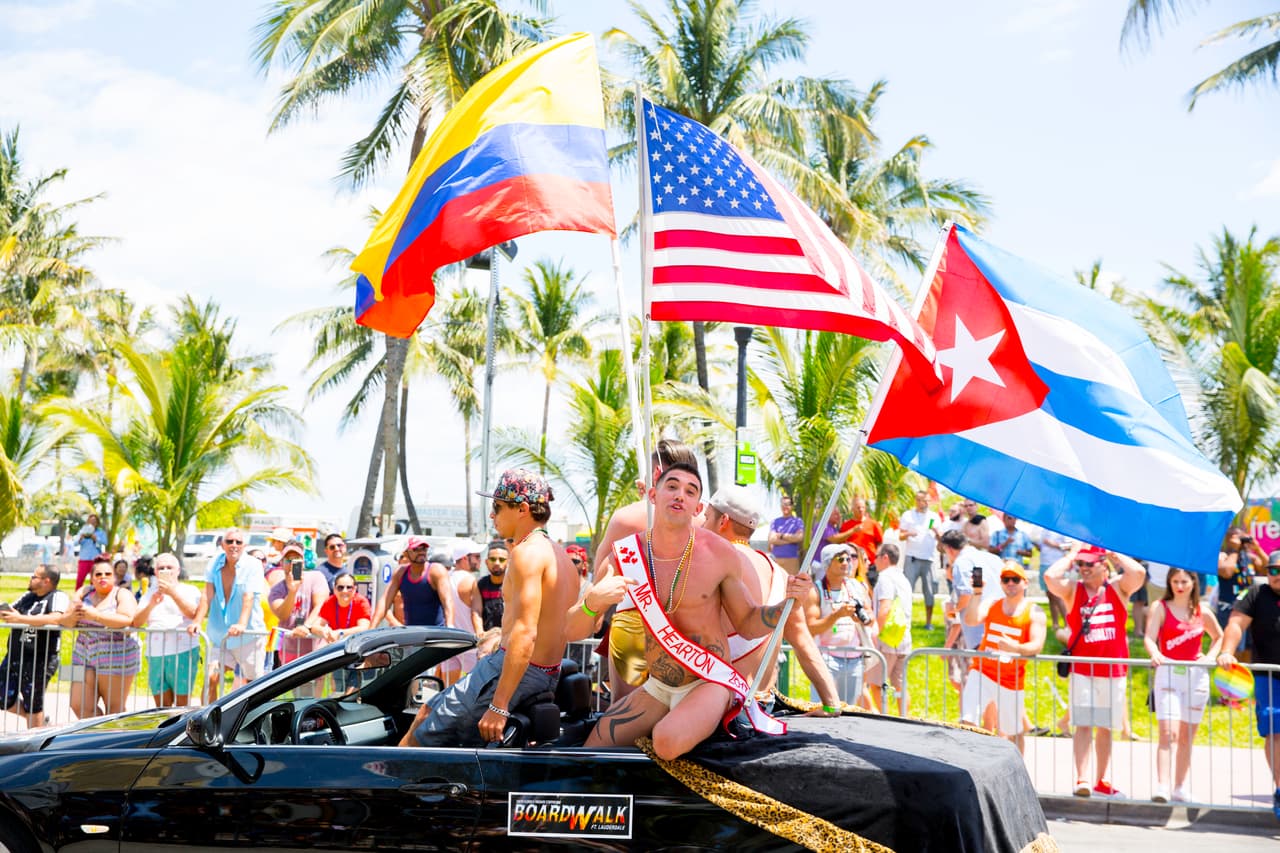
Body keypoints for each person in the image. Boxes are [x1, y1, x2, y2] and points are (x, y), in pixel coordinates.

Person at [584, 464, 811, 760]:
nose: (680, 495)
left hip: (709, 683)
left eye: (690, 491)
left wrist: (786, 606)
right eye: (672, 486)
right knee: (591, 749)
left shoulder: (719, 553)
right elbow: (575, 629)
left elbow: (747, 622)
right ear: (653, 495)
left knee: (665, 741)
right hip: (658, 686)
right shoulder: (627, 554)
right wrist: (591, 604)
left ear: (698, 507)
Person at [402, 468, 579, 747]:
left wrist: (499, 705)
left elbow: (525, 633)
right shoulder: (562, 557)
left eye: (497, 506)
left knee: (425, 722)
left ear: (522, 509)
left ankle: (388, 788)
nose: (492, 515)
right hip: (545, 673)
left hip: (517, 670)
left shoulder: (526, 553)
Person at [701, 485, 841, 714]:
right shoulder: (779, 573)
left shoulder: (712, 565)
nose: (703, 525)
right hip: (762, 706)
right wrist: (831, 703)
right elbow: (803, 642)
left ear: (723, 521)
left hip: (719, 707)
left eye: (707, 518)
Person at [590, 439, 699, 701]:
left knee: (625, 712)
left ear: (658, 473)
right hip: (689, 632)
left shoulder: (629, 517)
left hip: (637, 626)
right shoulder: (702, 518)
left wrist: (593, 614)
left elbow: (602, 572)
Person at [1044, 543, 1146, 799]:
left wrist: (1115, 552)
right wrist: (1070, 556)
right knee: (1083, 725)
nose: (1084, 568)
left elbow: (1139, 574)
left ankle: (1102, 778)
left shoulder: (1117, 588)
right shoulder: (1073, 591)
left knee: (1106, 727)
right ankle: (1083, 778)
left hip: (1113, 671)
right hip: (1083, 671)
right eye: (1081, 564)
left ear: (1103, 565)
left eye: (1090, 563)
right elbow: (1049, 577)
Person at [1142, 566, 1222, 803]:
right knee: (1168, 733)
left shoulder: (1202, 611)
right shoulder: (1161, 608)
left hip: (1196, 676)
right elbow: (1149, 636)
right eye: (1175, 581)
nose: (1179, 586)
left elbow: (1218, 637)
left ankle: (1180, 786)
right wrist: (1155, 652)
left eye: (1184, 582)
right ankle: (1163, 786)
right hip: (1168, 672)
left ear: (1193, 584)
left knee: (1187, 736)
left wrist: (1209, 657)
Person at [1217, 549, 1280, 820]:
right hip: (1269, 677)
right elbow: (1235, 624)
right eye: (1273, 570)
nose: (1276, 576)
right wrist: (1227, 651)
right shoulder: (1256, 594)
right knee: (1275, 732)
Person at [960, 561, 1047, 753]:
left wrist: (1014, 647)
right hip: (982, 671)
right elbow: (971, 620)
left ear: (1025, 583)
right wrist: (976, 593)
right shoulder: (992, 605)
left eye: (1015, 579)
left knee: (1013, 732)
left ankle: (1018, 776)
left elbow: (1037, 645)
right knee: (968, 720)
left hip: (1010, 680)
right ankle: (968, 767)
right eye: (1005, 579)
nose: (1010, 583)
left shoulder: (1034, 611)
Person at [192, 528, 268, 701]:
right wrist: (197, 621)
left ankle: (252, 720)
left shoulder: (253, 564)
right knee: (211, 676)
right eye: (229, 541)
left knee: (253, 685)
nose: (234, 545)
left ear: (244, 545)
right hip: (220, 634)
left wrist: (241, 624)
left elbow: (248, 597)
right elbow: (207, 595)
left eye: (238, 542)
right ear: (222, 544)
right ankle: (207, 720)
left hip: (249, 635)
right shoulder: (213, 563)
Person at [61, 556, 141, 718]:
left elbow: (128, 619)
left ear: (115, 577)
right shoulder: (83, 592)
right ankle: (98, 734)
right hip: (82, 653)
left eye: (107, 574)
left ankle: (111, 739)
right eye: (98, 574)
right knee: (77, 704)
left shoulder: (122, 593)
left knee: (114, 709)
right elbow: (66, 619)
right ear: (91, 578)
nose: (102, 577)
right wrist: (72, 616)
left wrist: (95, 616)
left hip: (117, 654)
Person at [805, 544, 876, 710]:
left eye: (848, 558)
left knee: (849, 711)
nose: (846, 562)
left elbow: (871, 617)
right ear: (828, 563)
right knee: (825, 708)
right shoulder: (816, 590)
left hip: (854, 659)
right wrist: (836, 615)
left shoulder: (856, 587)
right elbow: (811, 627)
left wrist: (862, 619)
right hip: (826, 659)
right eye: (840, 559)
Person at [0, 565, 70, 727]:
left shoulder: (57, 596)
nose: (31, 579)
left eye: (34, 577)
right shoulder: (28, 596)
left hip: (40, 658)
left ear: (46, 581)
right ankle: (41, 722)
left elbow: (56, 618)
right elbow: (13, 612)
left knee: (33, 703)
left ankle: (33, 741)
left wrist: (21, 619)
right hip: (15, 655)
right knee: (2, 696)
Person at [131, 553, 201, 707]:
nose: (165, 570)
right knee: (162, 706)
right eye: (161, 568)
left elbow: (194, 613)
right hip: (156, 653)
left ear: (178, 570)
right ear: (155, 572)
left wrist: (172, 593)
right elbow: (137, 621)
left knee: (182, 706)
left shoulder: (190, 590)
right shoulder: (149, 592)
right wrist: (151, 604)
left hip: (183, 650)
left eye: (169, 567)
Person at [867, 543, 912, 716]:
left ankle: (884, 717)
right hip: (903, 637)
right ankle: (904, 719)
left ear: (885, 557)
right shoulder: (903, 578)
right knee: (900, 684)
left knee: (875, 682)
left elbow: (885, 606)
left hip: (887, 638)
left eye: (877, 556)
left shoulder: (885, 578)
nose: (874, 560)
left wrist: (876, 631)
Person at [268, 540, 329, 666]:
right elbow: (282, 615)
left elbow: (321, 605)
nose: (291, 564)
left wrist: (306, 627)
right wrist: (292, 591)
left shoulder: (316, 577)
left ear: (303, 561)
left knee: (314, 684)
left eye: (296, 559)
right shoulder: (276, 590)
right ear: (281, 563)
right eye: (288, 560)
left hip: (315, 646)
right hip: (289, 649)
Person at [371, 537, 454, 628]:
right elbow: (385, 601)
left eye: (424, 549)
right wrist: (371, 628)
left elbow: (448, 601)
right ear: (405, 553)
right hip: (412, 632)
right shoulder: (400, 573)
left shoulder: (436, 570)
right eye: (416, 549)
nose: (421, 552)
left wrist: (450, 625)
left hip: (435, 632)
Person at [1217, 526, 1266, 657]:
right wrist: (1234, 550)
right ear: (1228, 539)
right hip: (1229, 609)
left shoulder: (1249, 557)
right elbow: (1226, 572)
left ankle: (1246, 676)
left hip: (1249, 609)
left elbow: (1269, 570)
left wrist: (1257, 548)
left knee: (1249, 648)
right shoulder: (1223, 555)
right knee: (1234, 648)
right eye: (1237, 537)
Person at [438, 549, 483, 686]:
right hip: (470, 642)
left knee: (449, 688)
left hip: (448, 641)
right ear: (464, 558)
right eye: (476, 556)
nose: (479, 560)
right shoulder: (470, 580)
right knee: (475, 687)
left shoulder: (445, 578)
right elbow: (476, 613)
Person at [898, 490, 940, 630]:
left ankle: (929, 623)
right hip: (912, 559)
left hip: (929, 559)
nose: (926, 503)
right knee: (906, 590)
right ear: (917, 500)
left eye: (928, 500)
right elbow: (901, 536)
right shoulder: (908, 515)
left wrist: (936, 531)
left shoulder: (933, 517)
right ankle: (905, 621)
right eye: (923, 500)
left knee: (929, 592)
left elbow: (941, 539)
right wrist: (909, 533)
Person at [305, 571, 373, 643]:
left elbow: (364, 628)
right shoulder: (330, 602)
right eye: (340, 587)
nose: (344, 591)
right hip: (337, 646)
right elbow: (314, 626)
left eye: (349, 587)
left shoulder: (361, 602)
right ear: (334, 589)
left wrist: (340, 633)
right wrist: (324, 631)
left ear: (354, 589)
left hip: (357, 644)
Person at [1037, 528, 1074, 629]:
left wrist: (1054, 544)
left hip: (1056, 564)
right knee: (1050, 596)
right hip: (1044, 563)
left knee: (1057, 596)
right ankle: (1055, 624)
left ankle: (1068, 624)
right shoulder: (1042, 529)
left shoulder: (1062, 529)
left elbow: (1070, 546)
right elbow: (1041, 546)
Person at [830, 496, 883, 565]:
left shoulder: (874, 524)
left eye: (863, 507)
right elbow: (840, 542)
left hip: (869, 563)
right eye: (858, 507)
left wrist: (877, 557)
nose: (861, 509)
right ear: (852, 509)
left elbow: (880, 542)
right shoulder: (846, 525)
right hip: (852, 563)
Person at [475, 541, 508, 632]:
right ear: (486, 562)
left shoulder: (514, 584)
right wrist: (479, 632)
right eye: (493, 559)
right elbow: (476, 611)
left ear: (508, 562)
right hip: (487, 639)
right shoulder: (480, 584)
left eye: (501, 559)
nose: (497, 563)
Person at [767, 495, 804, 574]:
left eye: (787, 504)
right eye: (783, 504)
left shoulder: (797, 521)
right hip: (776, 560)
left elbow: (799, 537)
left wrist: (781, 536)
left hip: (792, 560)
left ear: (792, 506)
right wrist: (791, 540)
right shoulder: (775, 521)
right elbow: (771, 539)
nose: (785, 507)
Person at [75, 513, 107, 590]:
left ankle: (94, 595)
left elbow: (105, 542)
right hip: (84, 559)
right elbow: (75, 543)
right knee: (80, 580)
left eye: (94, 521)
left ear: (97, 523)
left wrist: (96, 539)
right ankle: (77, 596)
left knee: (95, 580)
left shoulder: (100, 532)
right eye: (91, 521)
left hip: (95, 559)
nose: (92, 523)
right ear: (88, 522)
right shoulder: (82, 531)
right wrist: (81, 538)